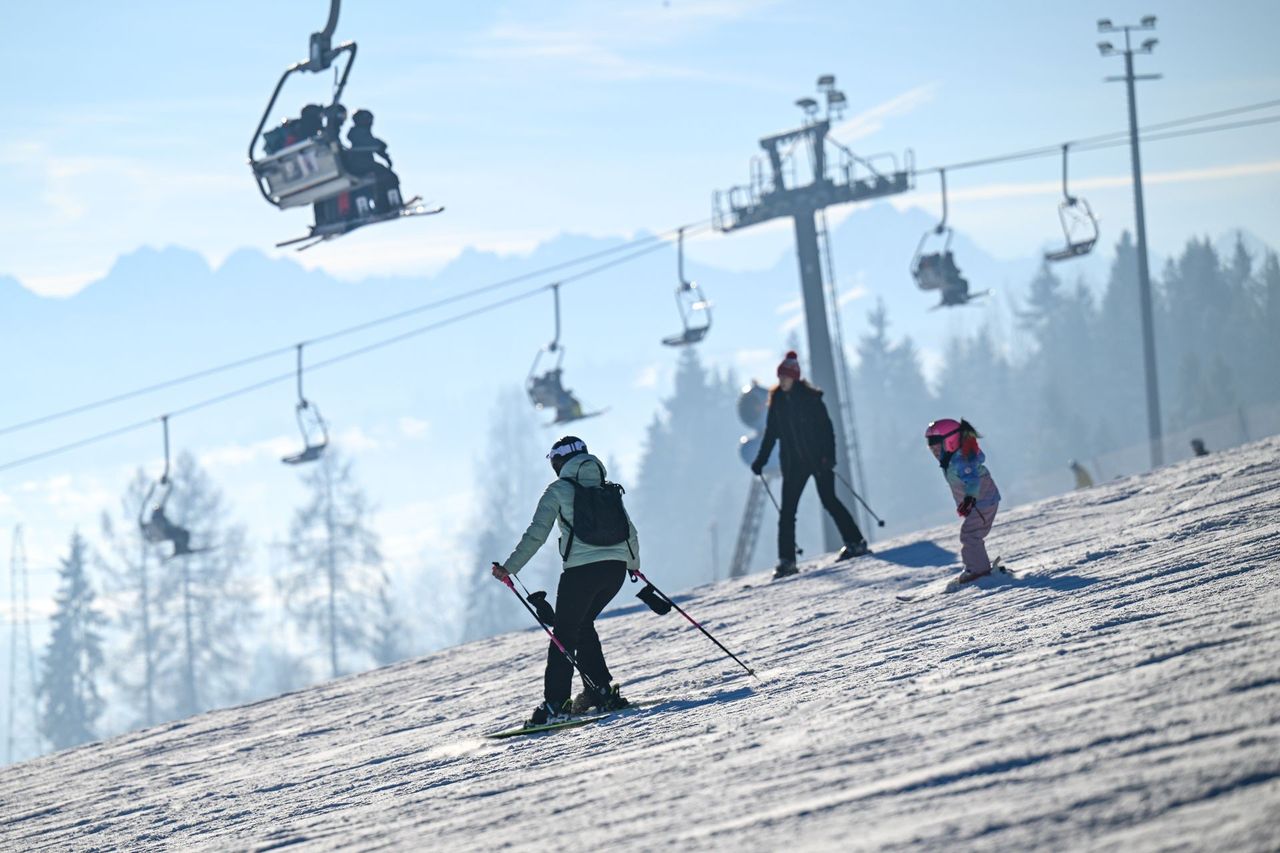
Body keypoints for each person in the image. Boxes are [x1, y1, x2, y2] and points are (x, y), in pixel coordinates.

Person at [491, 436, 639, 726]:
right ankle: (601, 691)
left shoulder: (558, 490)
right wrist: (633, 566)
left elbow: (536, 534)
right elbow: (629, 529)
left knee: (563, 636)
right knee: (581, 626)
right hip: (615, 572)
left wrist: (509, 569)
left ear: (559, 462)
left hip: (582, 573)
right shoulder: (606, 487)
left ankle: (555, 705)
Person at [751, 351, 867, 579]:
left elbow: (827, 430)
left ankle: (855, 542)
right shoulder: (777, 403)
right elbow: (771, 435)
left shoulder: (811, 399)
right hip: (793, 465)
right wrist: (761, 461)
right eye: (780, 377)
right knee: (787, 513)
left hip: (817, 460)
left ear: (794, 377)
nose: (781, 381)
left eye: (784, 377)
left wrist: (828, 457)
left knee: (829, 501)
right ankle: (787, 560)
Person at [925, 418, 1001, 581]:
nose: (934, 449)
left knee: (970, 535)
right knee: (971, 535)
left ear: (951, 440)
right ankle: (976, 567)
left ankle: (978, 570)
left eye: (937, 444)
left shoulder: (961, 459)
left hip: (981, 502)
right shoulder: (952, 459)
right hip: (978, 503)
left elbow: (973, 480)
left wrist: (969, 499)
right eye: (931, 445)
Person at [346, 109, 401, 211]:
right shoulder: (357, 133)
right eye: (368, 119)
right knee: (390, 177)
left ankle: (383, 205)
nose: (370, 122)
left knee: (379, 180)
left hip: (364, 163)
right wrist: (381, 146)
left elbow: (373, 146)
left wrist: (386, 157)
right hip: (360, 164)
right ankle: (393, 202)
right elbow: (371, 144)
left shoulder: (362, 132)